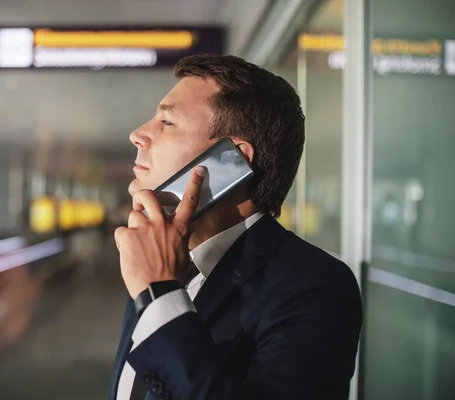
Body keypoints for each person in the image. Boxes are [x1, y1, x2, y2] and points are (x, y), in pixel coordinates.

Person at [109, 55, 362, 400]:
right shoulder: (157, 261)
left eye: (167, 122)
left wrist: (159, 295)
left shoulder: (315, 287)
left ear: (230, 161)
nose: (137, 134)